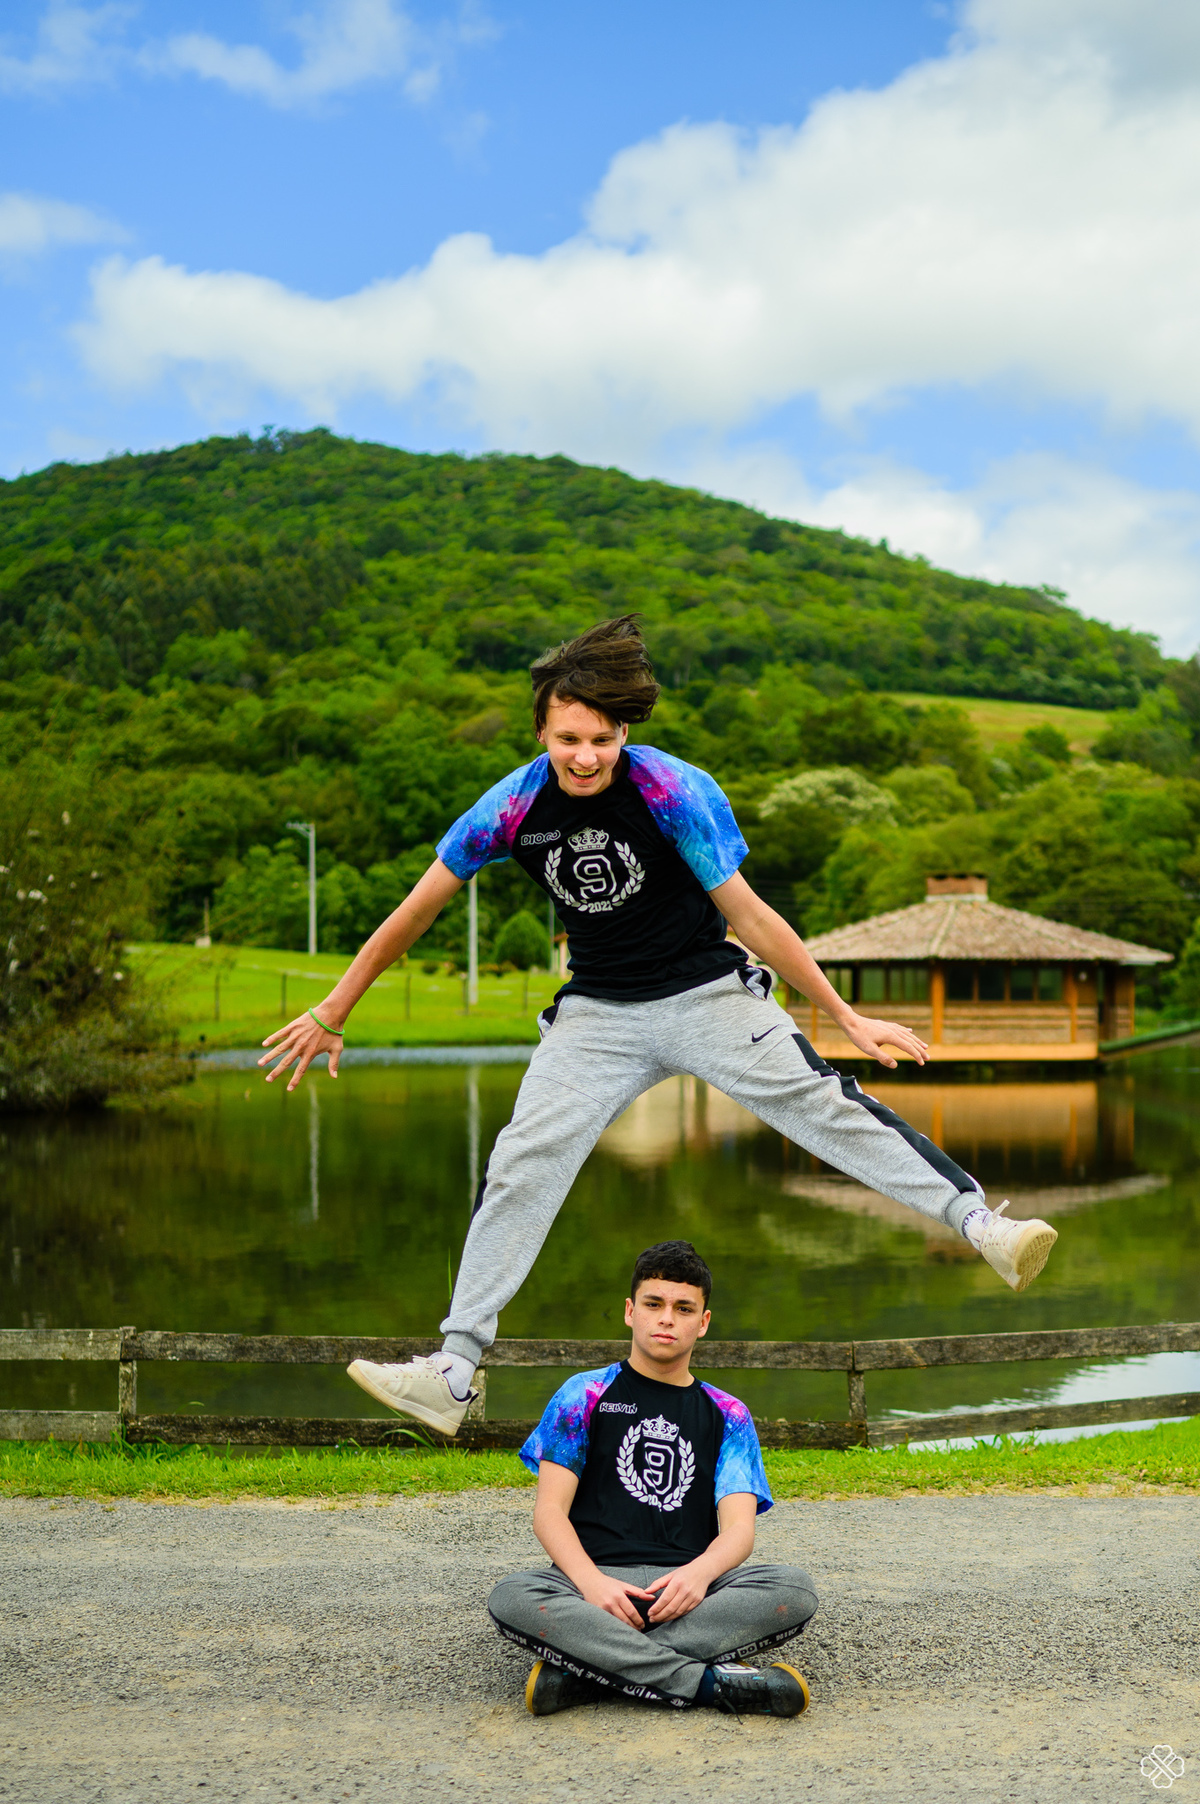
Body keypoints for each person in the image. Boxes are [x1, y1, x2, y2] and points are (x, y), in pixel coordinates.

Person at [259, 615, 1058, 1437]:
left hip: (708, 994)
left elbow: (749, 913)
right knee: (521, 1159)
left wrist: (844, 1015)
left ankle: (985, 1226)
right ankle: (454, 1372)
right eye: (568, 738)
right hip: (598, 1014)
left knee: (824, 1106)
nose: (583, 756)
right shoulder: (509, 807)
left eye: (600, 739)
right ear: (541, 731)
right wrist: (334, 1010)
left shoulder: (671, 789)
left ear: (623, 732)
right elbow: (414, 912)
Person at [489, 1240, 817, 1717]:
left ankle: (588, 1669)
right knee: (514, 1596)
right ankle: (708, 1684)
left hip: (689, 1592)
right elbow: (549, 1513)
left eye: (684, 1308)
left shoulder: (729, 1414)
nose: (667, 1319)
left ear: (703, 1322)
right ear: (630, 1311)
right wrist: (591, 1583)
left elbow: (739, 1532)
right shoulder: (583, 1394)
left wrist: (699, 1574)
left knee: (793, 1589)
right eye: (654, 1304)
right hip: (591, 1589)